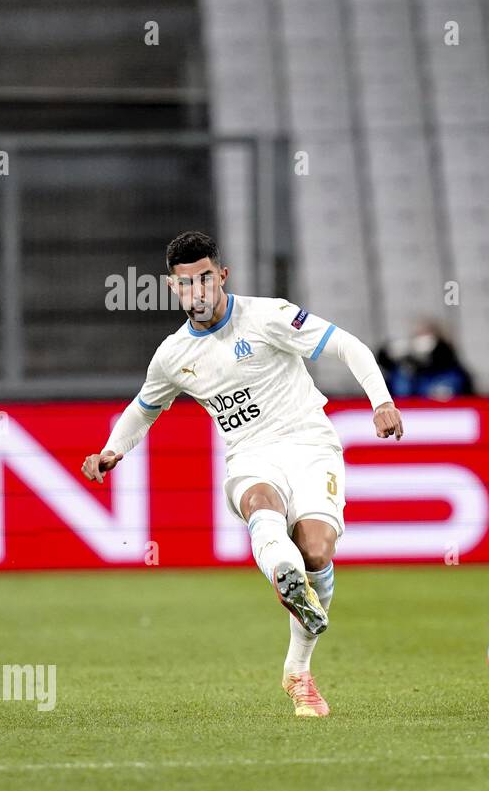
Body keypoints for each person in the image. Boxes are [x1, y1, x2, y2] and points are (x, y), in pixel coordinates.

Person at [80, 231, 405, 717]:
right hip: (250, 456)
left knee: (317, 549)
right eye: (186, 284)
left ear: (222, 276)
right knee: (262, 505)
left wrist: (381, 400)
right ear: (174, 288)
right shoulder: (173, 355)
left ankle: (298, 668)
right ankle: (283, 571)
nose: (198, 292)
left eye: (206, 278)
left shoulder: (269, 316)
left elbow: (347, 346)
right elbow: (144, 408)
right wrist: (111, 450)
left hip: (310, 443)